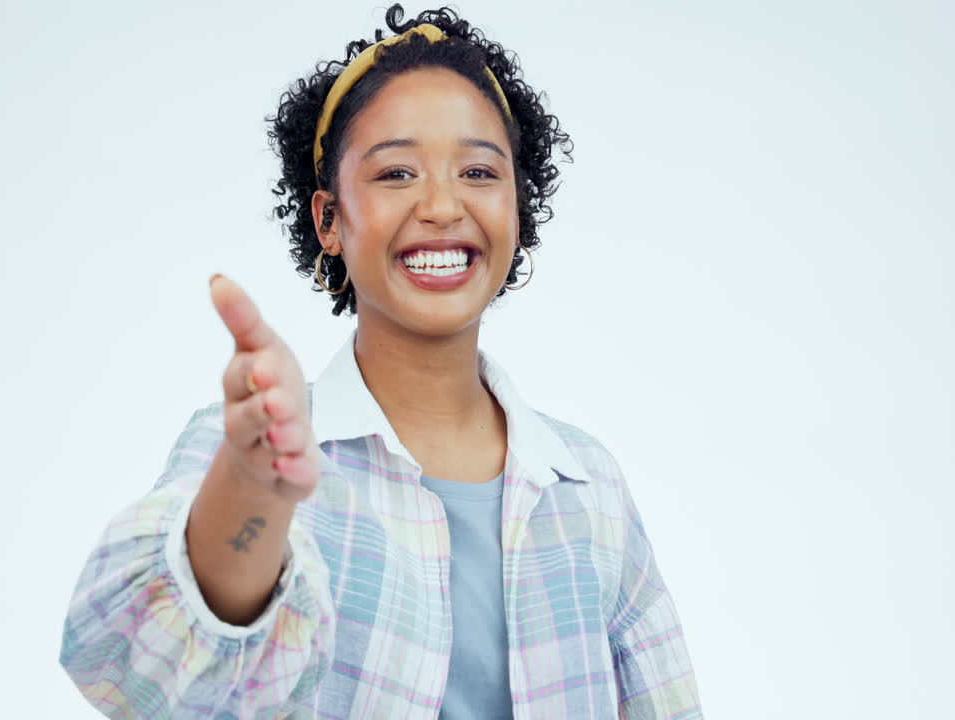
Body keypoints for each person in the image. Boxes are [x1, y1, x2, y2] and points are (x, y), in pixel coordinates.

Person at [59, 5, 703, 718]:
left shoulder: (589, 487)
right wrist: (254, 489)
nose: (441, 205)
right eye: (396, 172)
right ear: (329, 221)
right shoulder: (245, 443)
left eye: (479, 172)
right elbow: (138, 667)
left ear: (518, 208)